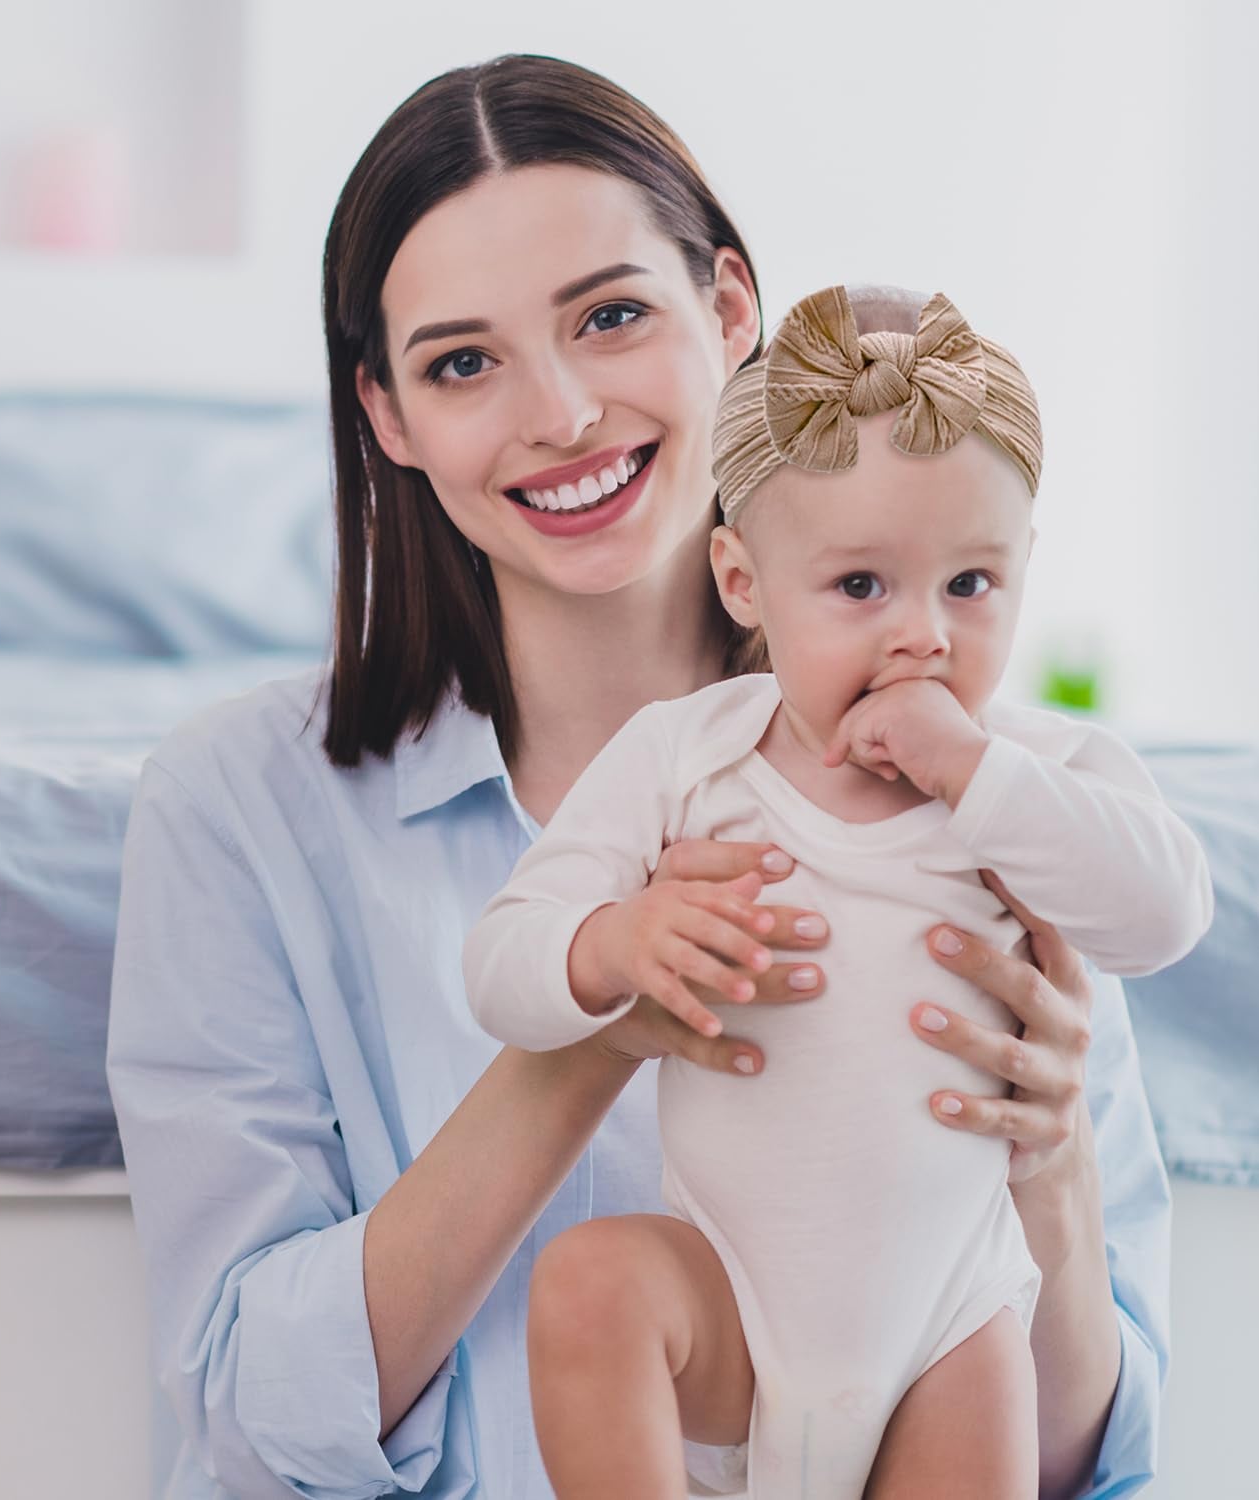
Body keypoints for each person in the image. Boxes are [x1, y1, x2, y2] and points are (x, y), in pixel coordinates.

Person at [106, 54, 1173, 1500]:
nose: (559, 414)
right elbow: (247, 1420)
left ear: (730, 314)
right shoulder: (236, 811)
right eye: (462, 362)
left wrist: (1050, 1175)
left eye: (610, 316)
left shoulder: (991, 790)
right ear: (389, 417)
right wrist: (599, 1013)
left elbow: (1083, 1471)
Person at [463, 282, 1211, 1498]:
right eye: (862, 588)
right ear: (745, 583)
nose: (922, 636)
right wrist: (614, 944)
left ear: (1025, 570)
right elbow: (501, 963)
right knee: (591, 1284)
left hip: (952, 1327)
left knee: (986, 1409)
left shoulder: (1041, 776)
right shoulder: (686, 755)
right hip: (732, 1306)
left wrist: (971, 768)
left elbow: (1167, 912)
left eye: (971, 585)